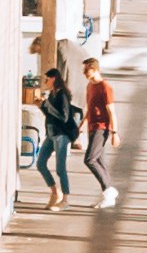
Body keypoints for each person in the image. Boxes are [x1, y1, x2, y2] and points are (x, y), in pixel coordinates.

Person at [34, 61, 81, 203]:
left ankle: (65, 198)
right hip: (51, 133)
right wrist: (41, 106)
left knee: (60, 168)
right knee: (40, 163)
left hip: (61, 135)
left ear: (54, 78)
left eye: (47, 79)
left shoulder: (62, 95)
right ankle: (55, 191)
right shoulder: (52, 94)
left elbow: (64, 116)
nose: (45, 82)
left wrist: (47, 105)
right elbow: (49, 114)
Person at [81, 60, 119, 198]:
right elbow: (90, 108)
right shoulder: (90, 86)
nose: (84, 73)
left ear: (95, 69)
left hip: (101, 128)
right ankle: (108, 194)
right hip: (92, 127)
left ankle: (109, 190)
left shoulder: (105, 87)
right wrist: (82, 124)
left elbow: (111, 112)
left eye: (86, 70)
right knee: (100, 161)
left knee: (90, 159)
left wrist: (115, 133)